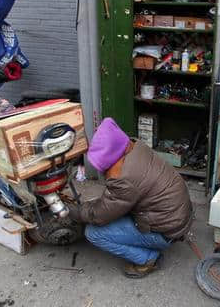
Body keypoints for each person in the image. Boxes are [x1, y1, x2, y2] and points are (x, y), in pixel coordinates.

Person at [76, 118, 193, 278]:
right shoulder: (136, 146)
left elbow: (99, 215)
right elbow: (115, 202)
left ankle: (148, 259)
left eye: (106, 169)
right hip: (178, 216)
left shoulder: (126, 179)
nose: (105, 174)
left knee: (93, 233)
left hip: (167, 231)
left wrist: (77, 212)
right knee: (111, 207)